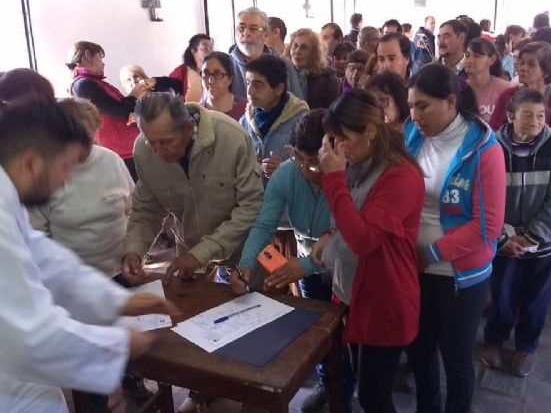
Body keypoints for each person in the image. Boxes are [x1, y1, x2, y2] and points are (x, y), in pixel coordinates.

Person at [0, 95, 175, 413]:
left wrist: (114, 300)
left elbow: (39, 254)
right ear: (31, 163)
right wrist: (119, 345)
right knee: (34, 400)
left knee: (38, 395)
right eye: (66, 166)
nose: (68, 179)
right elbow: (22, 334)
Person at [231, 110, 356, 412]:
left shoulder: (351, 177)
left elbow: (351, 236)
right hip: (306, 261)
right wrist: (247, 264)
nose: (303, 167)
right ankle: (329, 387)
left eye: (312, 162)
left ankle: (347, 395)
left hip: (349, 268)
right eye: (297, 157)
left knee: (349, 337)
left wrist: (308, 265)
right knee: (319, 334)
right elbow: (264, 226)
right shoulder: (287, 173)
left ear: (334, 152)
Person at [313, 89, 424, 413]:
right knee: (366, 384)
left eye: (341, 137)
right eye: (331, 138)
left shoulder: (400, 176)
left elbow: (364, 239)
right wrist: (329, 234)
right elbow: (347, 215)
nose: (336, 147)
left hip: (385, 297)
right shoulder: (359, 163)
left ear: (371, 131)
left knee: (374, 397)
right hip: (354, 289)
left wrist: (332, 178)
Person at [404, 63, 506, 413]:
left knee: (457, 359)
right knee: (419, 349)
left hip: (458, 275)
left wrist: (429, 253)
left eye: (423, 106)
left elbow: (487, 227)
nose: (414, 115)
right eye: (411, 106)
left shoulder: (483, 149)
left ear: (450, 102)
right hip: (413, 268)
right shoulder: (413, 135)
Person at [481, 89, 551, 377]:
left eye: (540, 115)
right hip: (505, 242)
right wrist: (504, 237)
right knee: (502, 294)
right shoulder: (492, 147)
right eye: (527, 115)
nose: (536, 121)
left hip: (544, 244)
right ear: (510, 116)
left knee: (536, 298)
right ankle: (494, 340)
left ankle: (526, 346)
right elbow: (484, 197)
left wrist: (533, 235)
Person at [121, 92, 263, 285]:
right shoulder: (143, 151)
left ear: (188, 127)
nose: (158, 152)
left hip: (242, 247)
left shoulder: (232, 137)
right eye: (151, 142)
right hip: (189, 250)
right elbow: (147, 210)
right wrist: (134, 250)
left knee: (254, 305)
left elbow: (251, 206)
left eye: (166, 142)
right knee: (191, 309)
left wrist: (201, 253)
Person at [29, 98, 135, 278]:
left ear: (95, 131)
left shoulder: (111, 160)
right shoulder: (42, 175)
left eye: (85, 136)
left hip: (122, 271)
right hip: (72, 281)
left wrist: (134, 253)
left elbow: (135, 211)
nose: (79, 144)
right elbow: (36, 236)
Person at [68, 40, 151, 180]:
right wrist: (134, 96)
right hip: (122, 154)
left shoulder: (93, 83)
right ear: (88, 55)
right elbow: (119, 112)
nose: (103, 63)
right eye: (100, 57)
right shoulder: (83, 84)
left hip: (129, 150)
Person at [240, 54, 310, 179]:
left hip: (288, 195)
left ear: (278, 89)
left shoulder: (302, 121)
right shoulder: (245, 120)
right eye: (248, 83)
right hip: (254, 195)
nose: (250, 91)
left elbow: (315, 167)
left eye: (258, 85)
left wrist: (287, 169)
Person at [490, 42, 551, 140]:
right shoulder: (508, 95)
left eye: (531, 65)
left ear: (546, 71)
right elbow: (494, 132)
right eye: (521, 63)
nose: (523, 68)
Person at [229, 7, 304, 99]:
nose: (246, 33)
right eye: (241, 28)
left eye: (253, 28)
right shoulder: (225, 65)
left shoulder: (285, 65)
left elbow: (299, 107)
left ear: (266, 34)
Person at [287, 28, 340, 109]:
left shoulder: (326, 78)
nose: (297, 51)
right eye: (295, 46)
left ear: (314, 53)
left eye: (304, 47)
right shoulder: (283, 73)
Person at [464, 38, 511, 122]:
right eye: (467, 55)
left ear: (492, 60)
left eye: (477, 56)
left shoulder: (505, 89)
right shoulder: (459, 88)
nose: (469, 60)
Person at [199, 51, 248, 121]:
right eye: (206, 74)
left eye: (217, 74)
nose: (210, 81)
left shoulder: (246, 110)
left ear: (230, 78)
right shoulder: (196, 112)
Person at [169, 34, 214, 102]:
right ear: (193, 51)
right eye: (205, 48)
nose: (209, 51)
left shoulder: (214, 70)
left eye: (211, 48)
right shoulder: (181, 71)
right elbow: (169, 98)